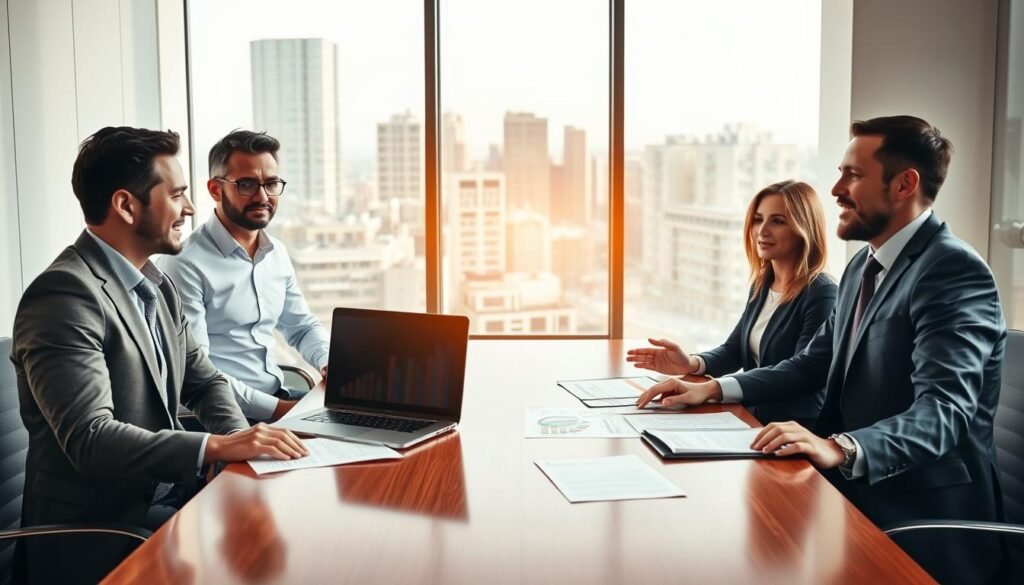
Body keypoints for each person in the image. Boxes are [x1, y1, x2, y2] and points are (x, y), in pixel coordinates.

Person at [635, 115, 1005, 584]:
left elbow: (944, 411)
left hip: (921, 513)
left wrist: (841, 447)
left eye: (853, 174)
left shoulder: (952, 271)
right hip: (853, 493)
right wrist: (711, 388)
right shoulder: (861, 269)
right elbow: (814, 363)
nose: (834, 190)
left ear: (904, 184)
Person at [10, 126, 309, 584]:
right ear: (127, 205)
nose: (189, 209)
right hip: (101, 531)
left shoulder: (155, 284)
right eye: (177, 195)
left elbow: (205, 381)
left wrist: (235, 446)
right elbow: (92, 437)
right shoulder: (64, 295)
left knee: (283, 541)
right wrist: (216, 446)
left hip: (166, 496)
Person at [627, 180, 837, 426]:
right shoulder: (762, 284)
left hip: (795, 429)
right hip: (753, 419)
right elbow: (735, 350)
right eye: (758, 219)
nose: (762, 231)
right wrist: (692, 363)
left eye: (777, 221)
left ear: (804, 229)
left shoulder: (822, 292)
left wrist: (713, 388)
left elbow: (801, 373)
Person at [160, 130, 329, 423]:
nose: (263, 197)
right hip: (220, 416)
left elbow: (301, 327)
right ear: (215, 189)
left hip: (280, 398)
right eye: (247, 184)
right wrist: (281, 413)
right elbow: (198, 373)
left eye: (271, 183)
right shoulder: (185, 264)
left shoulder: (276, 253)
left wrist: (329, 364)